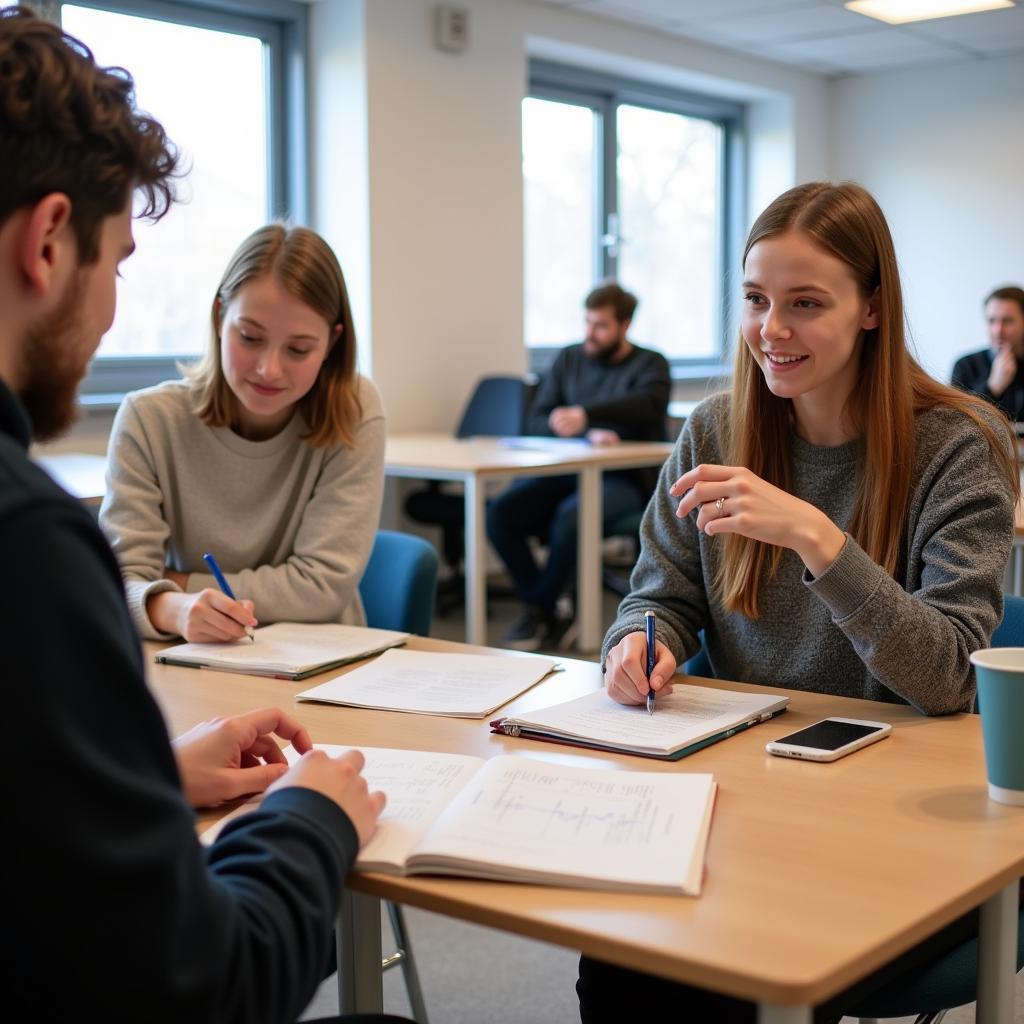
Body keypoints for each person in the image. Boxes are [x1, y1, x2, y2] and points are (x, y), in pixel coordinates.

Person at [0, 9, 407, 1022]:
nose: (108, 312)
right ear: (50, 240)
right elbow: (203, 984)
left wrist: (146, 775)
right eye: (119, 262)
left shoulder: (351, 419)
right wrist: (307, 819)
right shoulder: (31, 550)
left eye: (299, 348)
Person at [582, 181, 1020, 1023]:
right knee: (621, 948)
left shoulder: (960, 443)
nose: (770, 331)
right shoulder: (715, 431)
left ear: (871, 309)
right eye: (755, 300)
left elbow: (947, 679)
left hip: (897, 821)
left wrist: (820, 540)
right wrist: (640, 641)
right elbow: (659, 592)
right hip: (752, 795)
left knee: (750, 960)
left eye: (805, 303)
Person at [99, 223, 385, 643]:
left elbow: (321, 588)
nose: (269, 368)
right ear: (219, 318)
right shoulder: (149, 419)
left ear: (332, 344)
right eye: (249, 337)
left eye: (299, 349)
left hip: (324, 661)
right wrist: (174, 609)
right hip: (197, 655)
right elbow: (120, 581)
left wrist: (175, 581)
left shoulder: (354, 410)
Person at [486, 282, 670, 650]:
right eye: (587, 322)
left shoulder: (650, 364)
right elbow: (537, 419)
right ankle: (546, 605)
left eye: (600, 325)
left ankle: (539, 608)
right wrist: (564, 425)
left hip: (626, 480)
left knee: (573, 516)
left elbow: (646, 405)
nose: (590, 333)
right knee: (501, 513)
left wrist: (587, 416)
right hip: (567, 474)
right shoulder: (569, 358)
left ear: (624, 325)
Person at [951, 284, 1024, 423]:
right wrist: (993, 387)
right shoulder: (965, 366)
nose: (997, 330)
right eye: (991, 321)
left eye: (1007, 321)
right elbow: (954, 422)